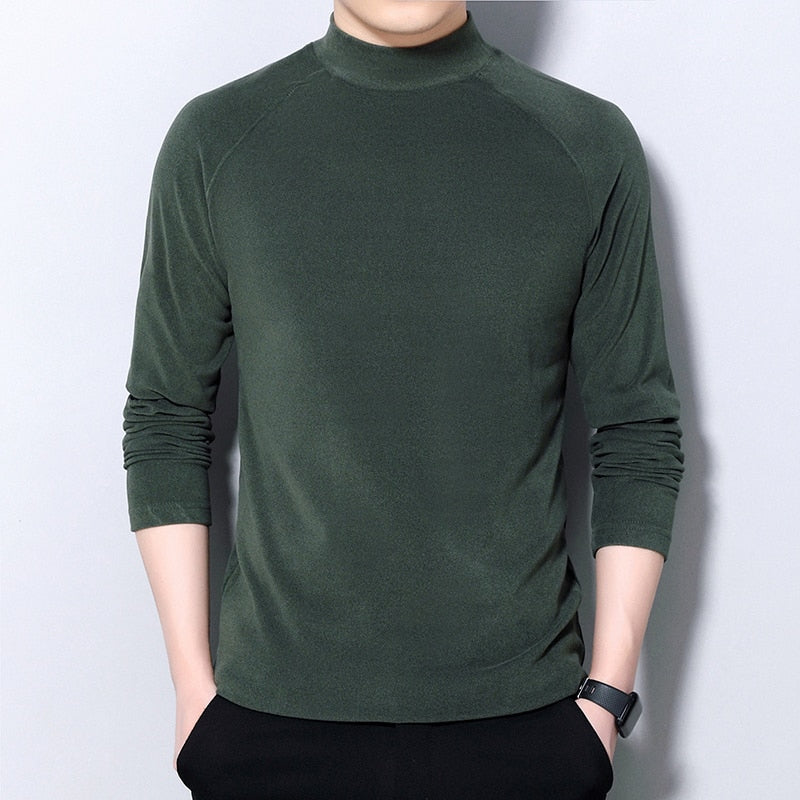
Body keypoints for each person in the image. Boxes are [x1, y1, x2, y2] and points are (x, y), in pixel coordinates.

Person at [123, 1, 684, 798]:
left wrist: (606, 698)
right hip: (269, 726)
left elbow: (637, 430)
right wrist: (193, 693)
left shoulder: (585, 143)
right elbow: (167, 415)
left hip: (525, 728)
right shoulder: (219, 140)